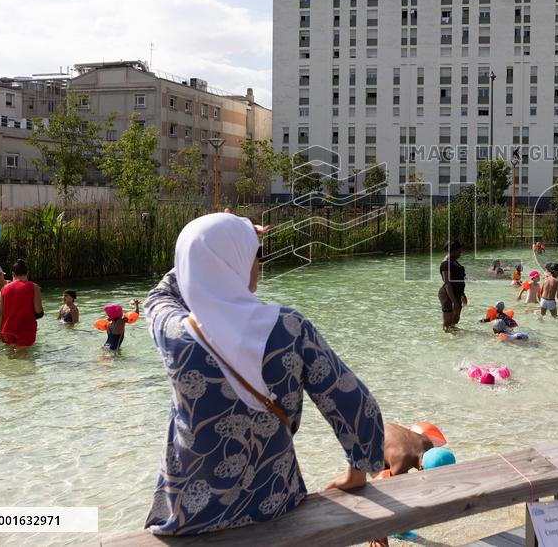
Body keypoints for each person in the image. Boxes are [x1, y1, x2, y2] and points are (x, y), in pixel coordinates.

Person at [143, 212, 386, 535]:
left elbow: (159, 295)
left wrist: (200, 252)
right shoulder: (289, 329)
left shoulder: (175, 333)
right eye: (257, 253)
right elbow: (353, 401)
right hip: (273, 503)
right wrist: (357, 472)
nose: (259, 262)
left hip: (189, 515)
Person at [0, 259, 43, 347]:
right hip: (25, 329)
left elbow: (0, 314)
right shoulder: (34, 287)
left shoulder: (4, 288)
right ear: (27, 273)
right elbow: (38, 310)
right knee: (23, 357)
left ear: (13, 274)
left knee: (9, 356)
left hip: (7, 329)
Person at [438, 241, 467, 333]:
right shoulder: (445, 264)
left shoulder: (454, 261)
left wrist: (462, 294)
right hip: (448, 295)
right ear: (453, 251)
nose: (460, 253)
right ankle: (448, 343)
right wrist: (454, 302)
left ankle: (455, 341)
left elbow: (458, 279)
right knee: (447, 324)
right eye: (459, 251)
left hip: (457, 293)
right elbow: (447, 283)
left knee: (455, 321)